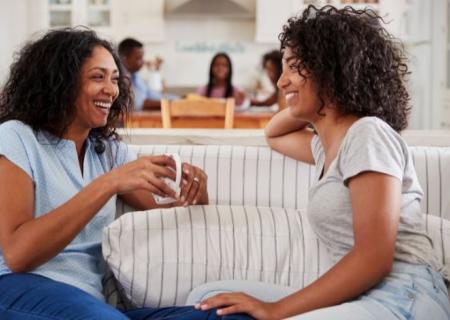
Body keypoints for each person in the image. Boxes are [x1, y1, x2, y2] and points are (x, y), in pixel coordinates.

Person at [187, 6, 450, 319]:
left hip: (403, 294)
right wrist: (305, 94)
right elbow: (274, 133)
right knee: (207, 299)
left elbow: (375, 258)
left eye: (295, 67)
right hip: (362, 296)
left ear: (332, 70)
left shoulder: (368, 135)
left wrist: (275, 310)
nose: (281, 82)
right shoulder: (326, 148)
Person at [0, 28, 218, 320]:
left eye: (115, 79)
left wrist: (196, 191)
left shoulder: (107, 151)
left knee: (226, 315)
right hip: (19, 290)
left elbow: (169, 209)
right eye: (97, 77)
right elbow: (18, 255)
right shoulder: (16, 138)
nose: (112, 90)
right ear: (60, 82)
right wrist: (108, 183)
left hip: (93, 304)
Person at [118, 37, 162, 110]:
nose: (143, 61)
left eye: (142, 57)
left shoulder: (135, 76)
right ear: (125, 60)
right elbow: (137, 105)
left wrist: (177, 100)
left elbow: (152, 94)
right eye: (139, 58)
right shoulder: (118, 79)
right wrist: (167, 104)